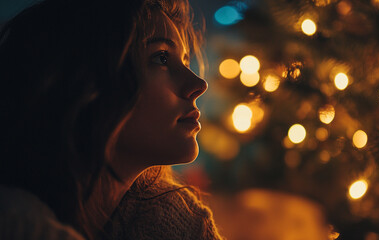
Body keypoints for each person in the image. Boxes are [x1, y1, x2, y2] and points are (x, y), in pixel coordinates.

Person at [0, 0, 223, 239]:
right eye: (161, 58)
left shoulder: (180, 224)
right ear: (83, 83)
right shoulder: (16, 225)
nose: (198, 85)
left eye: (186, 61)